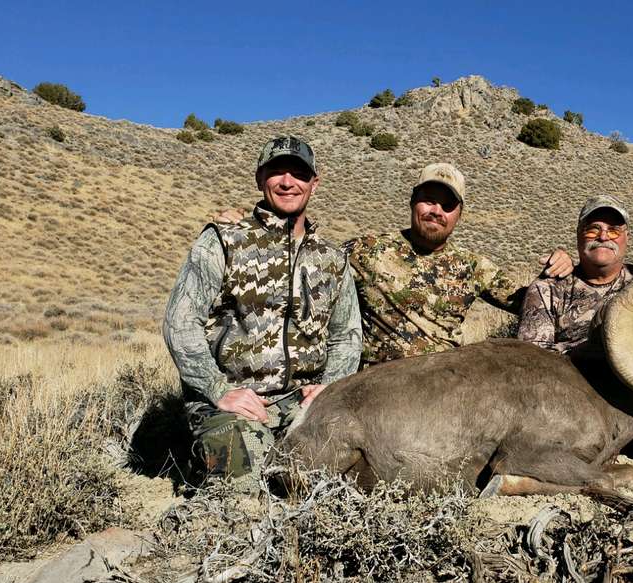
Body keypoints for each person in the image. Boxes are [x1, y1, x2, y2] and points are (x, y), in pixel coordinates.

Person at [163, 135, 362, 492]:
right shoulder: (223, 240)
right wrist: (218, 389)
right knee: (248, 487)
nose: (287, 182)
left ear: (314, 183)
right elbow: (181, 323)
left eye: (298, 173)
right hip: (231, 402)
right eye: (276, 172)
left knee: (348, 479)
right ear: (260, 179)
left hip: (304, 403)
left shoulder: (333, 259)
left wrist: (330, 387)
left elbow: (346, 334)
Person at [345, 163, 570, 365]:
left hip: (443, 387)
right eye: (429, 200)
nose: (436, 211)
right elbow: (321, 270)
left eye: (448, 205)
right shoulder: (367, 250)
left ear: (459, 214)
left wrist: (561, 267)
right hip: (375, 389)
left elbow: (532, 301)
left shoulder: (472, 266)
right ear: (413, 201)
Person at [518, 194, 633, 354]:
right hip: (568, 376)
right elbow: (532, 359)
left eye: (614, 231)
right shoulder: (548, 289)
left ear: (627, 238)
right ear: (579, 234)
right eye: (593, 229)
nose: (603, 236)